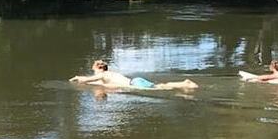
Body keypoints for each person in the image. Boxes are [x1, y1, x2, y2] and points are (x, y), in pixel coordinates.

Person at [70, 60, 198, 90]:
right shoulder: (108, 74)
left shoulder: (102, 74)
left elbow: (87, 79)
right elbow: (96, 82)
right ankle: (184, 83)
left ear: (99, 68)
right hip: (135, 81)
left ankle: (184, 83)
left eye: (94, 70)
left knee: (160, 87)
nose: (94, 72)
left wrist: (77, 78)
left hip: (135, 83)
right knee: (160, 86)